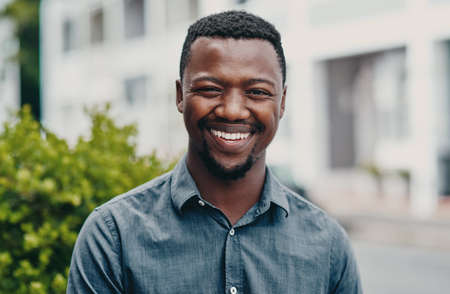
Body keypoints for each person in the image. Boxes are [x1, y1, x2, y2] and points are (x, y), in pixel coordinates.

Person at [67, 10, 362, 293]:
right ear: (181, 95)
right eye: (210, 89)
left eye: (257, 92)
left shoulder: (328, 245)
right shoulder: (113, 236)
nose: (232, 110)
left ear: (282, 102)